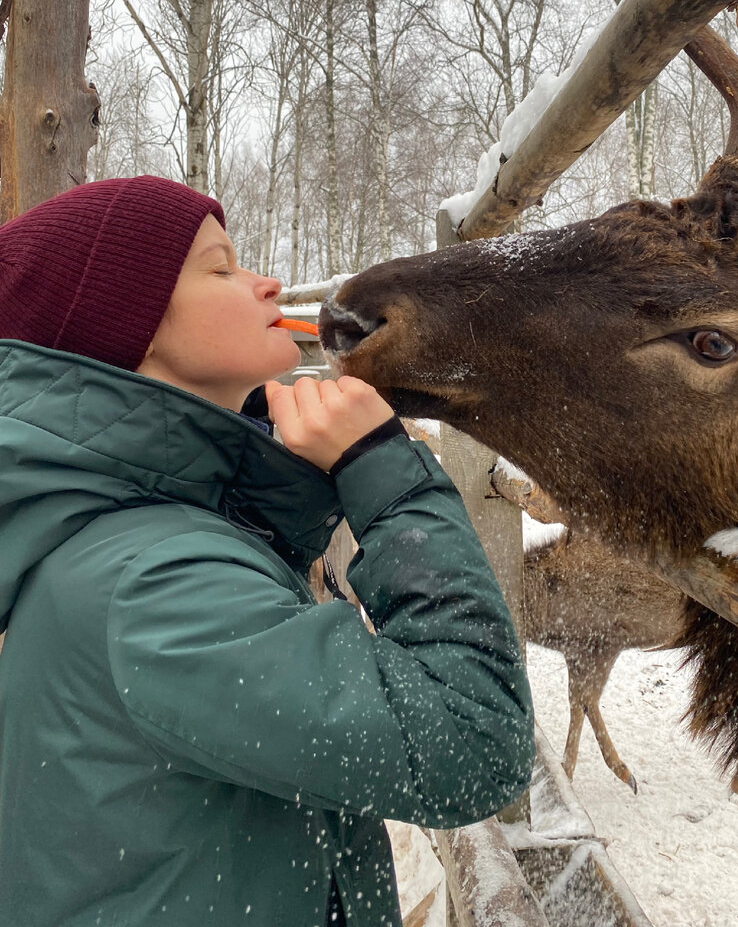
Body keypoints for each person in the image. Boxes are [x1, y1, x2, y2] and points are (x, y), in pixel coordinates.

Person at [0, 175, 534, 926]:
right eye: (220, 268)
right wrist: (387, 475)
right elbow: (473, 745)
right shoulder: (152, 584)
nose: (269, 283)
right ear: (129, 321)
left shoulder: (143, 543)